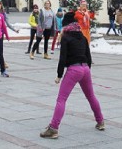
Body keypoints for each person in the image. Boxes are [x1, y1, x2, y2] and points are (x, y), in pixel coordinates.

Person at [39, 11, 105, 139]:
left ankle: (53, 128)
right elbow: (89, 57)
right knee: (91, 96)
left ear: (65, 25)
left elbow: (62, 58)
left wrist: (59, 75)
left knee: (61, 99)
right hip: (85, 68)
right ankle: (100, 121)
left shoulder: (66, 37)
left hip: (74, 70)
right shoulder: (83, 37)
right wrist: (87, 71)